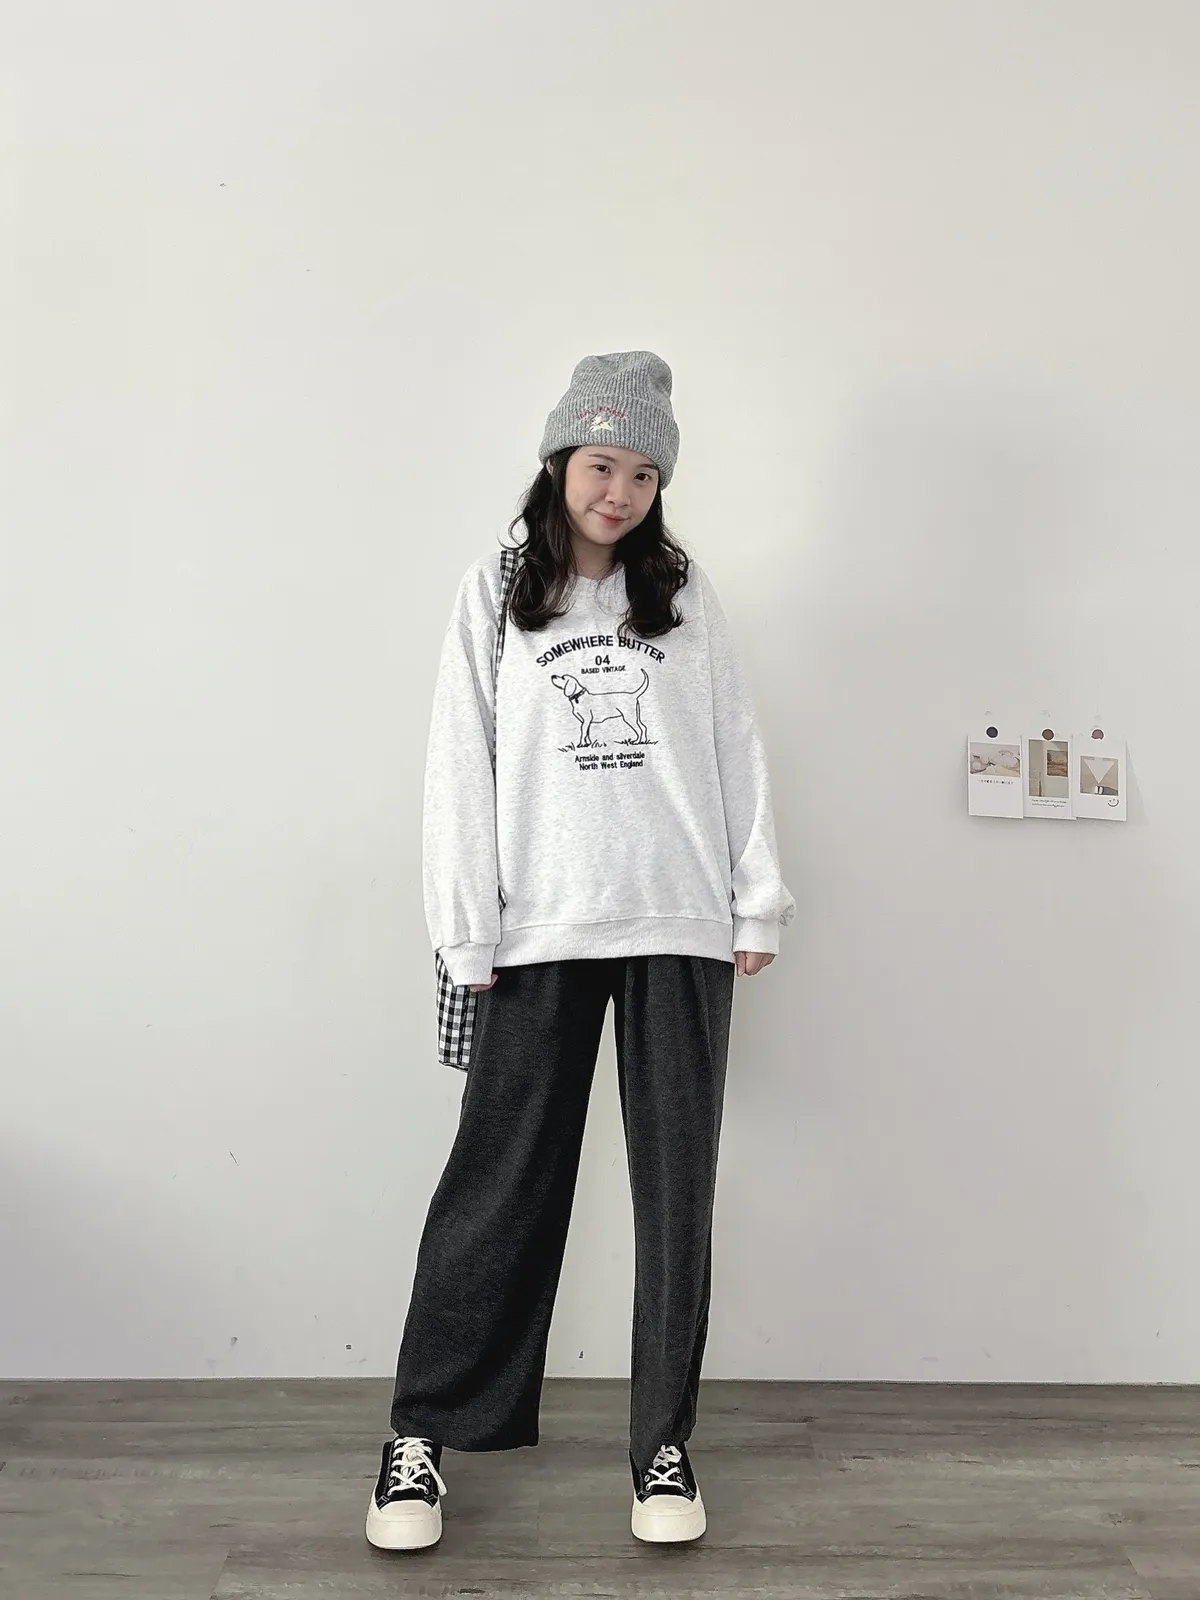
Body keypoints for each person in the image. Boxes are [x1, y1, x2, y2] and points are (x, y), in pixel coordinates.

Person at [365, 350, 795, 1553]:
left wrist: (756, 900)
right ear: (561, 461)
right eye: (604, 464)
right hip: (538, 927)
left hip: (679, 921)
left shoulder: (684, 593)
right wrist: (464, 925)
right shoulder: (498, 587)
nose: (620, 492)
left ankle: (663, 1444)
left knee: (676, 1193)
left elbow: (736, 743)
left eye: (644, 473)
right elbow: (458, 764)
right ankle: (421, 1435)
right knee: (497, 1183)